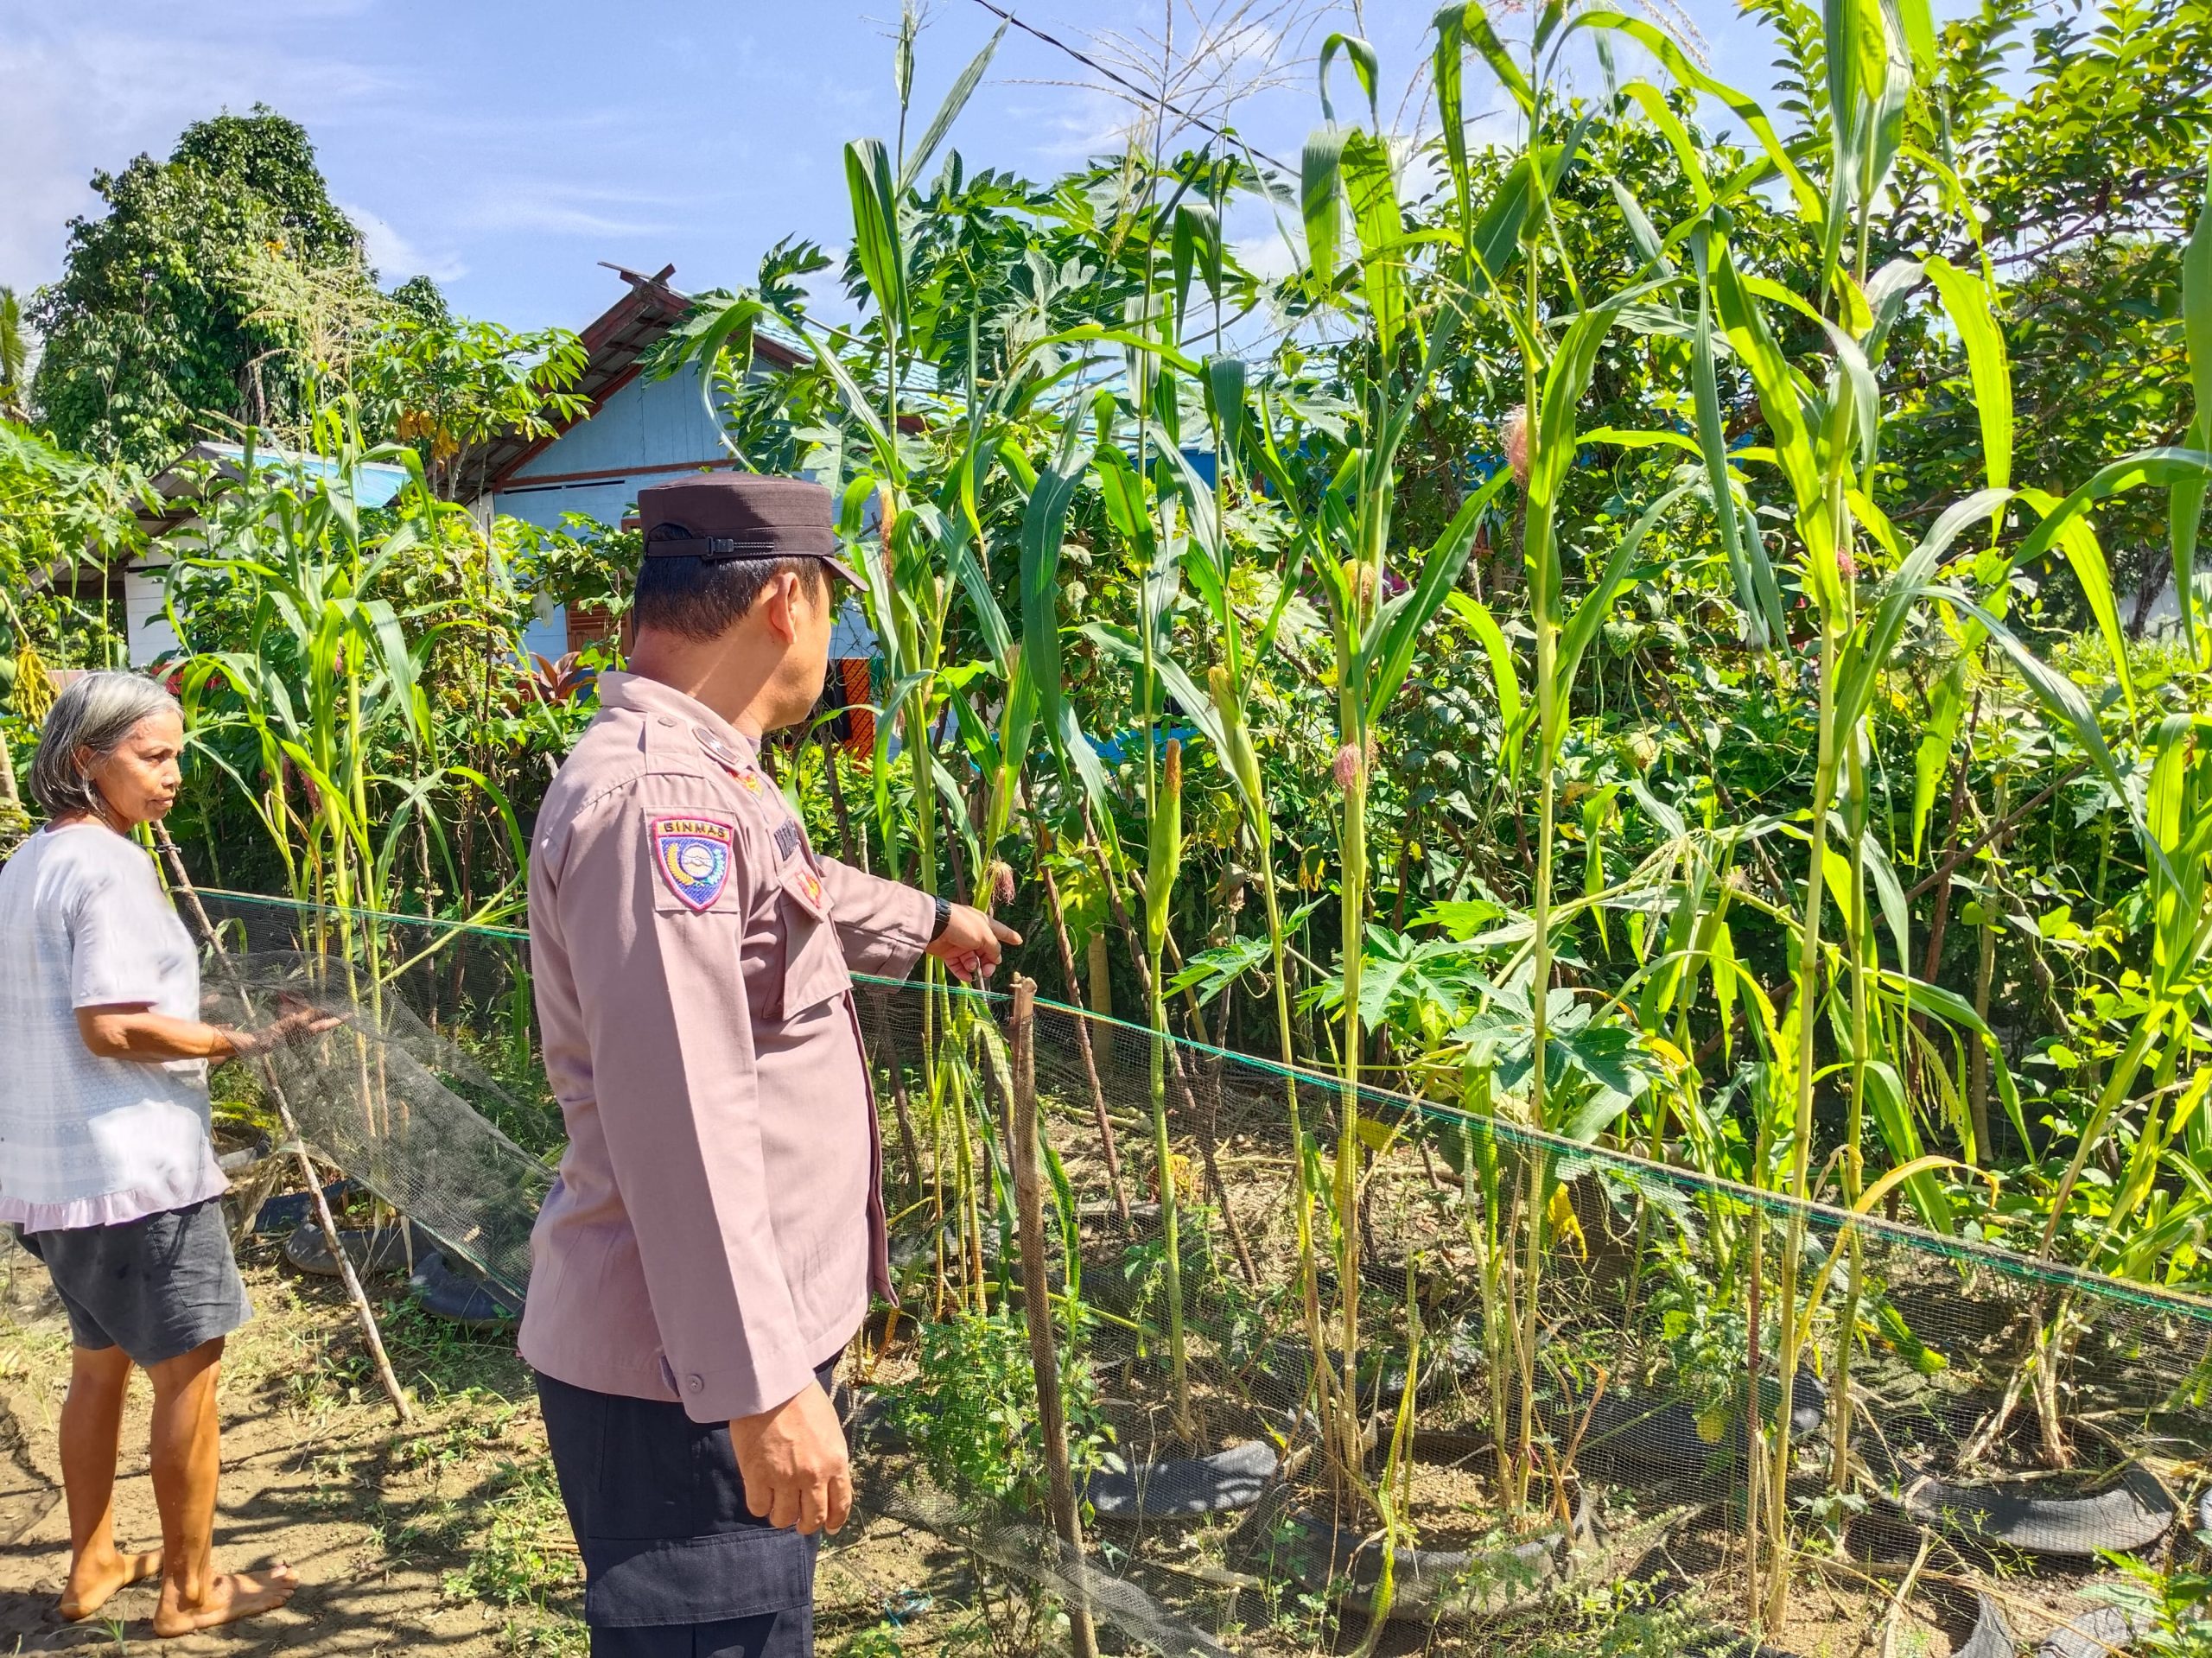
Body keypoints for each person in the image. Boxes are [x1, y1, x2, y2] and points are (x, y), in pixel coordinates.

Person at [524, 474, 1018, 1658]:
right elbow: (682, 1120)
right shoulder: (663, 802)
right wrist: (762, 1388)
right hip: (689, 1385)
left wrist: (932, 914)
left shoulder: (708, 774)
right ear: (788, 600)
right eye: (834, 609)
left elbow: (787, 895)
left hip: (700, 1364)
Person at [0, 670, 314, 1636]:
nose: (175, 774)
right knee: (191, 1371)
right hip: (136, 1172)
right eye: (154, 755)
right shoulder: (109, 865)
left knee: (99, 1365)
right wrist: (238, 1042)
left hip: (53, 1176)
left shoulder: (26, 862)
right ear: (87, 760)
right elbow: (112, 1026)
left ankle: (92, 1560)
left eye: (177, 751)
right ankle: (188, 1589)